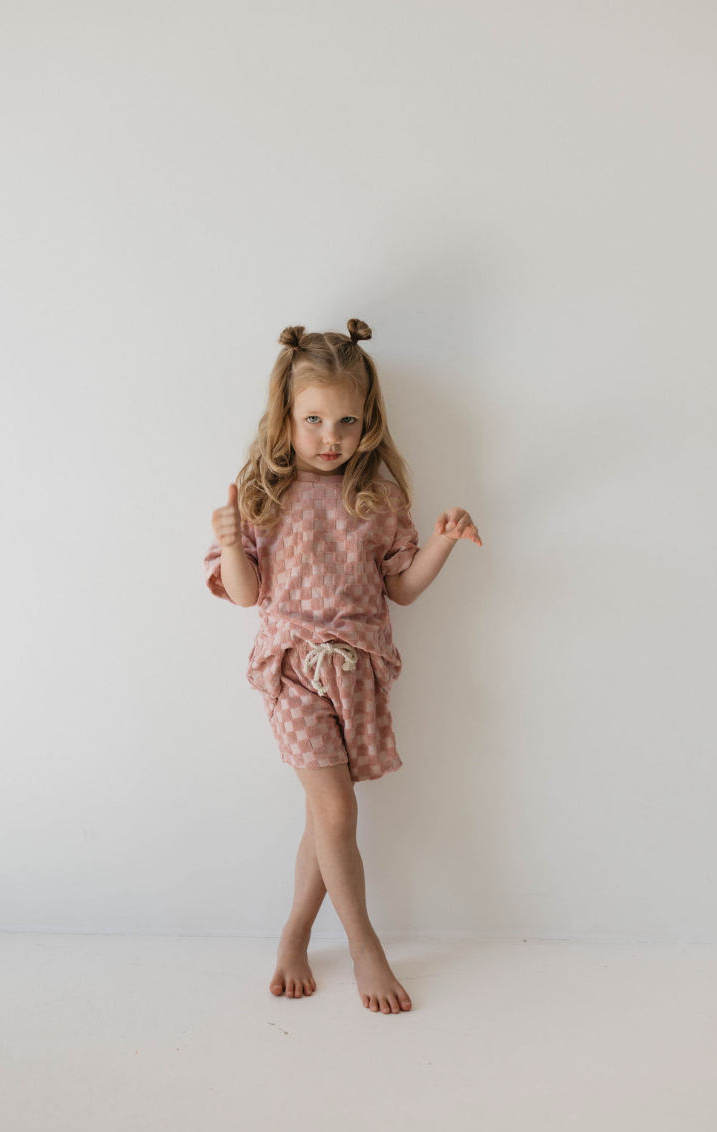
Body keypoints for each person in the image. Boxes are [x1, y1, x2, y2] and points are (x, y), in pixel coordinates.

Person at [204, 318, 482, 1014]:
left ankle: (294, 936)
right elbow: (243, 594)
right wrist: (232, 542)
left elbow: (402, 589)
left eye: (347, 421)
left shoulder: (378, 497)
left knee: (324, 820)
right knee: (336, 808)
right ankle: (365, 945)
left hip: (356, 672)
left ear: (369, 420)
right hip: (291, 670)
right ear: (287, 416)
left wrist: (442, 544)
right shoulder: (262, 493)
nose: (331, 435)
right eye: (314, 419)